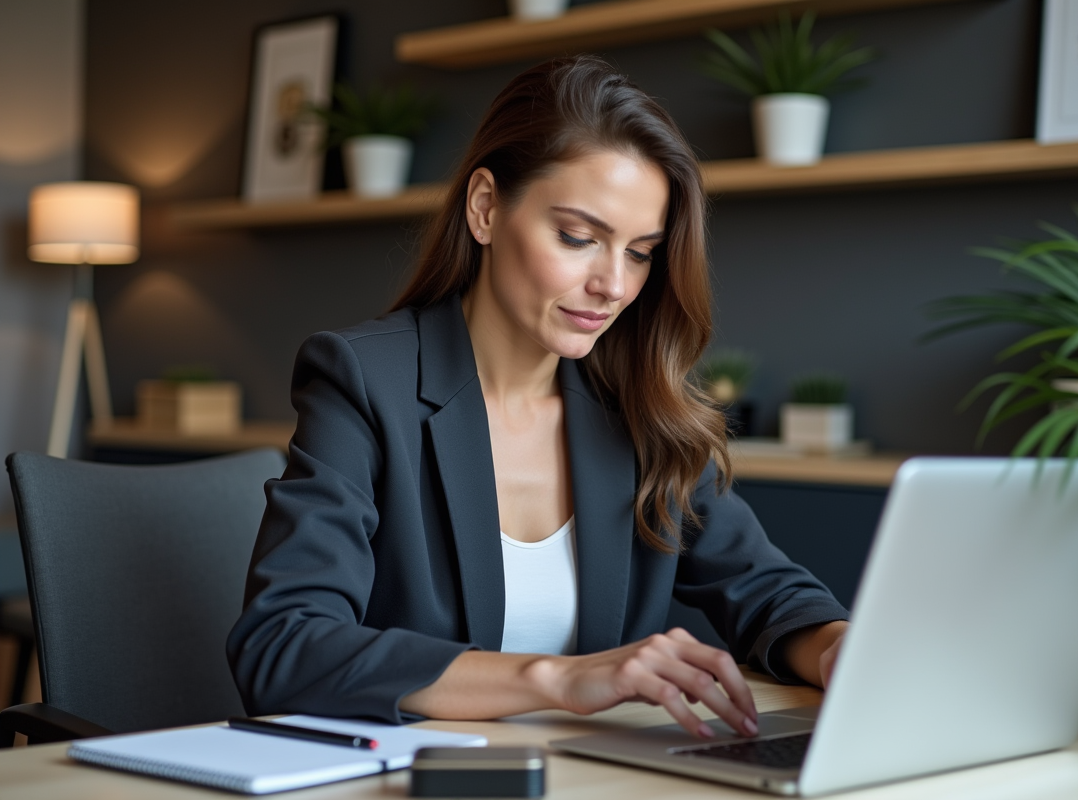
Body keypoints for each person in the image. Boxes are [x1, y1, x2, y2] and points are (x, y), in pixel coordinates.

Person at [227, 55, 848, 741]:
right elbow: (283, 647)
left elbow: (768, 593)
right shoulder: (364, 382)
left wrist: (835, 647)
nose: (613, 284)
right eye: (579, 238)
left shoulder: (636, 406)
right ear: (486, 208)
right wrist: (559, 678)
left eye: (641, 252)